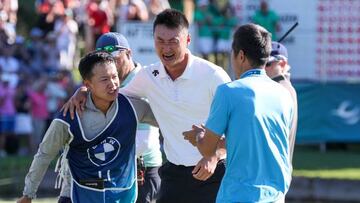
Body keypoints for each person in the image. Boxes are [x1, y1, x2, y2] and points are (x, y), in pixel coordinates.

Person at [62, 9, 231, 203]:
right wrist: (83, 91)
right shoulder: (149, 76)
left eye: (173, 41)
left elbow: (239, 126)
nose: (166, 48)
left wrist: (214, 155)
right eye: (160, 41)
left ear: (188, 40)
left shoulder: (213, 75)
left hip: (214, 172)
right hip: (174, 174)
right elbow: (111, 95)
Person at [17, 51, 157, 203]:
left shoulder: (133, 106)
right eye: (104, 79)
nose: (113, 83)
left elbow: (167, 121)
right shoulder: (69, 116)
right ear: (87, 84)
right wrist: (28, 194)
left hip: (120, 195)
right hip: (76, 194)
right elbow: (44, 155)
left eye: (114, 76)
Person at [183, 23, 294, 203]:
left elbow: (206, 148)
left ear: (240, 55)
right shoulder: (284, 94)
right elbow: (254, 139)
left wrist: (199, 136)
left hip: (238, 196)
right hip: (276, 197)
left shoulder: (227, 92)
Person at [58, 32, 163, 203]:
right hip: (105, 167)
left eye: (114, 57)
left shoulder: (146, 80)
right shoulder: (100, 81)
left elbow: (144, 141)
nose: (110, 64)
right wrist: (83, 91)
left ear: (128, 53)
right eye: (105, 59)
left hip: (140, 169)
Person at [265, 41, 298, 161]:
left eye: (268, 63)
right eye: (261, 63)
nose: (263, 68)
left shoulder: (280, 89)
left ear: (283, 64)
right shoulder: (279, 87)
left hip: (273, 168)